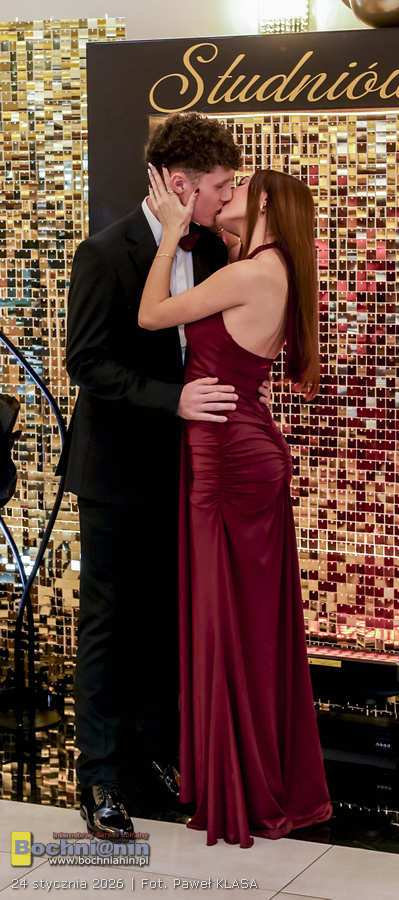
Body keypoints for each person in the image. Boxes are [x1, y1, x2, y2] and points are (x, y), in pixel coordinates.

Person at [56, 113, 272, 838]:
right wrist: (172, 399)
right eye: (219, 186)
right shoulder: (104, 253)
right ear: (180, 185)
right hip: (117, 472)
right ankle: (100, 778)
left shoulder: (214, 250)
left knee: (169, 618)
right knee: (110, 623)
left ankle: (160, 755)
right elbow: (87, 363)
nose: (227, 196)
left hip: (192, 471)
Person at [140, 162, 333, 847]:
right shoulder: (267, 266)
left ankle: (243, 782)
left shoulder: (250, 273)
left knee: (229, 620)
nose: (228, 193)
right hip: (242, 448)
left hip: (228, 458)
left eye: (240, 188)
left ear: (268, 208)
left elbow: (151, 315)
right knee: (247, 622)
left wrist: (170, 232)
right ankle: (253, 774)